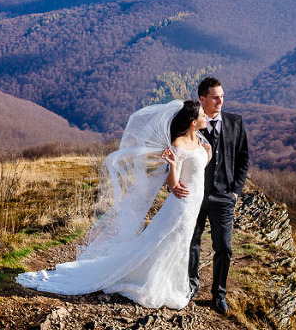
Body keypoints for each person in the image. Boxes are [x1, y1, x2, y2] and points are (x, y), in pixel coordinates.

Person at [16, 100, 211, 310]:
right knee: (169, 239)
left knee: (181, 241)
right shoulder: (178, 144)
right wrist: (172, 165)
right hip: (182, 204)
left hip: (195, 202)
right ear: (193, 122)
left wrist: (207, 153)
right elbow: (173, 184)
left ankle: (167, 280)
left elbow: (197, 168)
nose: (206, 117)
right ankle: (151, 281)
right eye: (202, 115)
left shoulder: (200, 143)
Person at [175, 77, 249, 315]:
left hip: (224, 196)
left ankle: (219, 295)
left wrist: (235, 191)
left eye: (222, 97)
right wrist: (175, 183)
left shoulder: (236, 122)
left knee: (224, 247)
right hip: (195, 195)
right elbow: (176, 153)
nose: (220, 101)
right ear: (203, 99)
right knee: (192, 241)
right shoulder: (192, 124)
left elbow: (243, 159)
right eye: (215, 97)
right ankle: (191, 286)